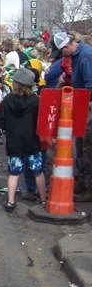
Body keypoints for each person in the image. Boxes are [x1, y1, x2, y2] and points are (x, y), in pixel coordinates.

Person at [0, 68, 47, 211]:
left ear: (16, 83)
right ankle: (43, 200)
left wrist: (7, 129)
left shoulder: (7, 100)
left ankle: (11, 201)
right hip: (32, 141)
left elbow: (1, 120)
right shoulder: (35, 100)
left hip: (14, 142)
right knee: (38, 171)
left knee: (14, 173)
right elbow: (42, 120)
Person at [53, 32, 92, 201]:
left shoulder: (85, 56)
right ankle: (82, 183)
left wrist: (84, 107)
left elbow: (89, 86)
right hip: (82, 104)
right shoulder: (79, 55)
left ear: (66, 47)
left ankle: (89, 187)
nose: (62, 56)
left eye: (61, 52)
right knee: (81, 145)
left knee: (87, 148)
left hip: (87, 105)